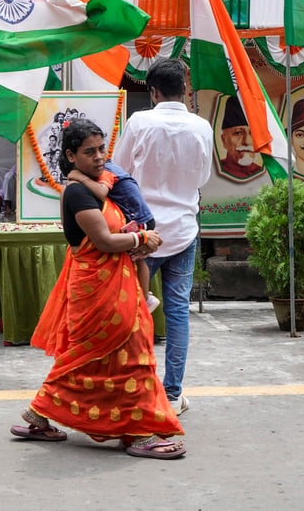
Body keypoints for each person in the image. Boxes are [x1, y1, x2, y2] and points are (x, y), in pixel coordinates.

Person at [12, 119, 185, 459]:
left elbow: (115, 216)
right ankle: (138, 435)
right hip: (96, 289)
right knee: (129, 356)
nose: (98, 157)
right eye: (89, 152)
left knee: (90, 359)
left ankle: (39, 413)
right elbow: (104, 241)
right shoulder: (76, 193)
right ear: (71, 156)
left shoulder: (97, 184)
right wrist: (140, 238)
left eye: (101, 149)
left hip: (116, 283)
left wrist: (138, 242)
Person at [114, 59, 214, 414]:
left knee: (130, 311)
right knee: (177, 313)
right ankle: (172, 395)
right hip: (184, 231)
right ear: (185, 89)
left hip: (142, 235)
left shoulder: (139, 122)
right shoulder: (202, 127)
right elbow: (203, 178)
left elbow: (118, 172)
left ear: (152, 91)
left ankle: (130, 391)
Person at [67, 159, 160, 313]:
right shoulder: (110, 168)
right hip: (139, 216)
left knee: (138, 260)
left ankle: (144, 298)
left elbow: (102, 193)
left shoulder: (107, 171)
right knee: (137, 260)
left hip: (138, 218)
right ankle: (143, 297)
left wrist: (79, 177)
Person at [217, 95, 261, 179]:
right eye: (238, 133)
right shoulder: (215, 172)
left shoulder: (262, 172)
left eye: (253, 133)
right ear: (224, 140)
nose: (247, 141)